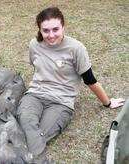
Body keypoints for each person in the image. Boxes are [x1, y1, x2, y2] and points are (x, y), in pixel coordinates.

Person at [17, 7, 125, 158]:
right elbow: (37, 68)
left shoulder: (76, 48)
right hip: (35, 95)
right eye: (46, 30)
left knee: (38, 134)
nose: (51, 35)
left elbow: (90, 80)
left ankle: (18, 156)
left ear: (63, 27)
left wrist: (107, 103)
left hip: (61, 102)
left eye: (56, 29)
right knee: (25, 124)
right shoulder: (34, 44)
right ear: (39, 30)